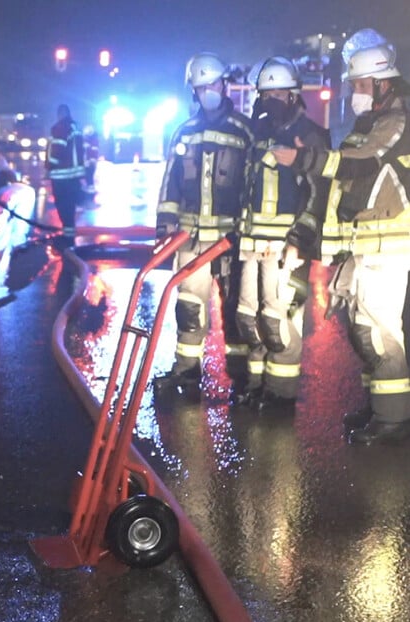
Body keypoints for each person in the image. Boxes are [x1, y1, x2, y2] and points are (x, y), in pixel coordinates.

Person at [272, 30, 410, 444]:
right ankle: (380, 406)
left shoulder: (396, 124)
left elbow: (361, 165)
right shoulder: (367, 125)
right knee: (360, 328)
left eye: (362, 85)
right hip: (364, 246)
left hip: (389, 247)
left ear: (383, 84)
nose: (355, 92)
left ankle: (393, 420)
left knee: (380, 331)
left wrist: (305, 158)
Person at [153, 52, 255, 400]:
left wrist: (247, 230)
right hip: (191, 239)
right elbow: (171, 184)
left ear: (224, 84)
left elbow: (253, 185)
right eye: (202, 86)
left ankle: (240, 378)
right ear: (193, 92)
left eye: (213, 83)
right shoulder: (185, 132)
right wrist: (165, 224)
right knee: (189, 305)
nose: (209, 90)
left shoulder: (244, 131)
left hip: (230, 240)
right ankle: (186, 371)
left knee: (234, 309)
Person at [233, 57, 331, 414]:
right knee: (248, 317)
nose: (271, 98)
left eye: (279, 92)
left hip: (287, 247)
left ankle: (281, 395)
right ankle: (256, 385)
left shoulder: (311, 136)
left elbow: (319, 193)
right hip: (251, 244)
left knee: (279, 322)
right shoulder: (257, 135)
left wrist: (299, 240)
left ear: (293, 95)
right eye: (266, 93)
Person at [45, 104, 86, 245]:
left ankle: (67, 239)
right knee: (70, 206)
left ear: (60, 114)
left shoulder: (60, 127)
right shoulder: (76, 128)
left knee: (63, 206)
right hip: (74, 175)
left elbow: (57, 149)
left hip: (61, 175)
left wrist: (49, 166)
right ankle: (69, 236)